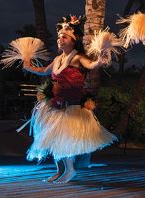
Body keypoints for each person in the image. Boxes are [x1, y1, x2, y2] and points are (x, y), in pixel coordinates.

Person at [21, 16, 117, 183]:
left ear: (74, 41)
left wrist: (101, 58)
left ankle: (70, 170)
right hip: (56, 106)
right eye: (59, 36)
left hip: (72, 106)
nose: (60, 39)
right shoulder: (58, 59)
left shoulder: (77, 58)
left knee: (64, 140)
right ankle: (60, 171)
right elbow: (44, 70)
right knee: (52, 139)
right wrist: (29, 66)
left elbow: (91, 65)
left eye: (64, 36)